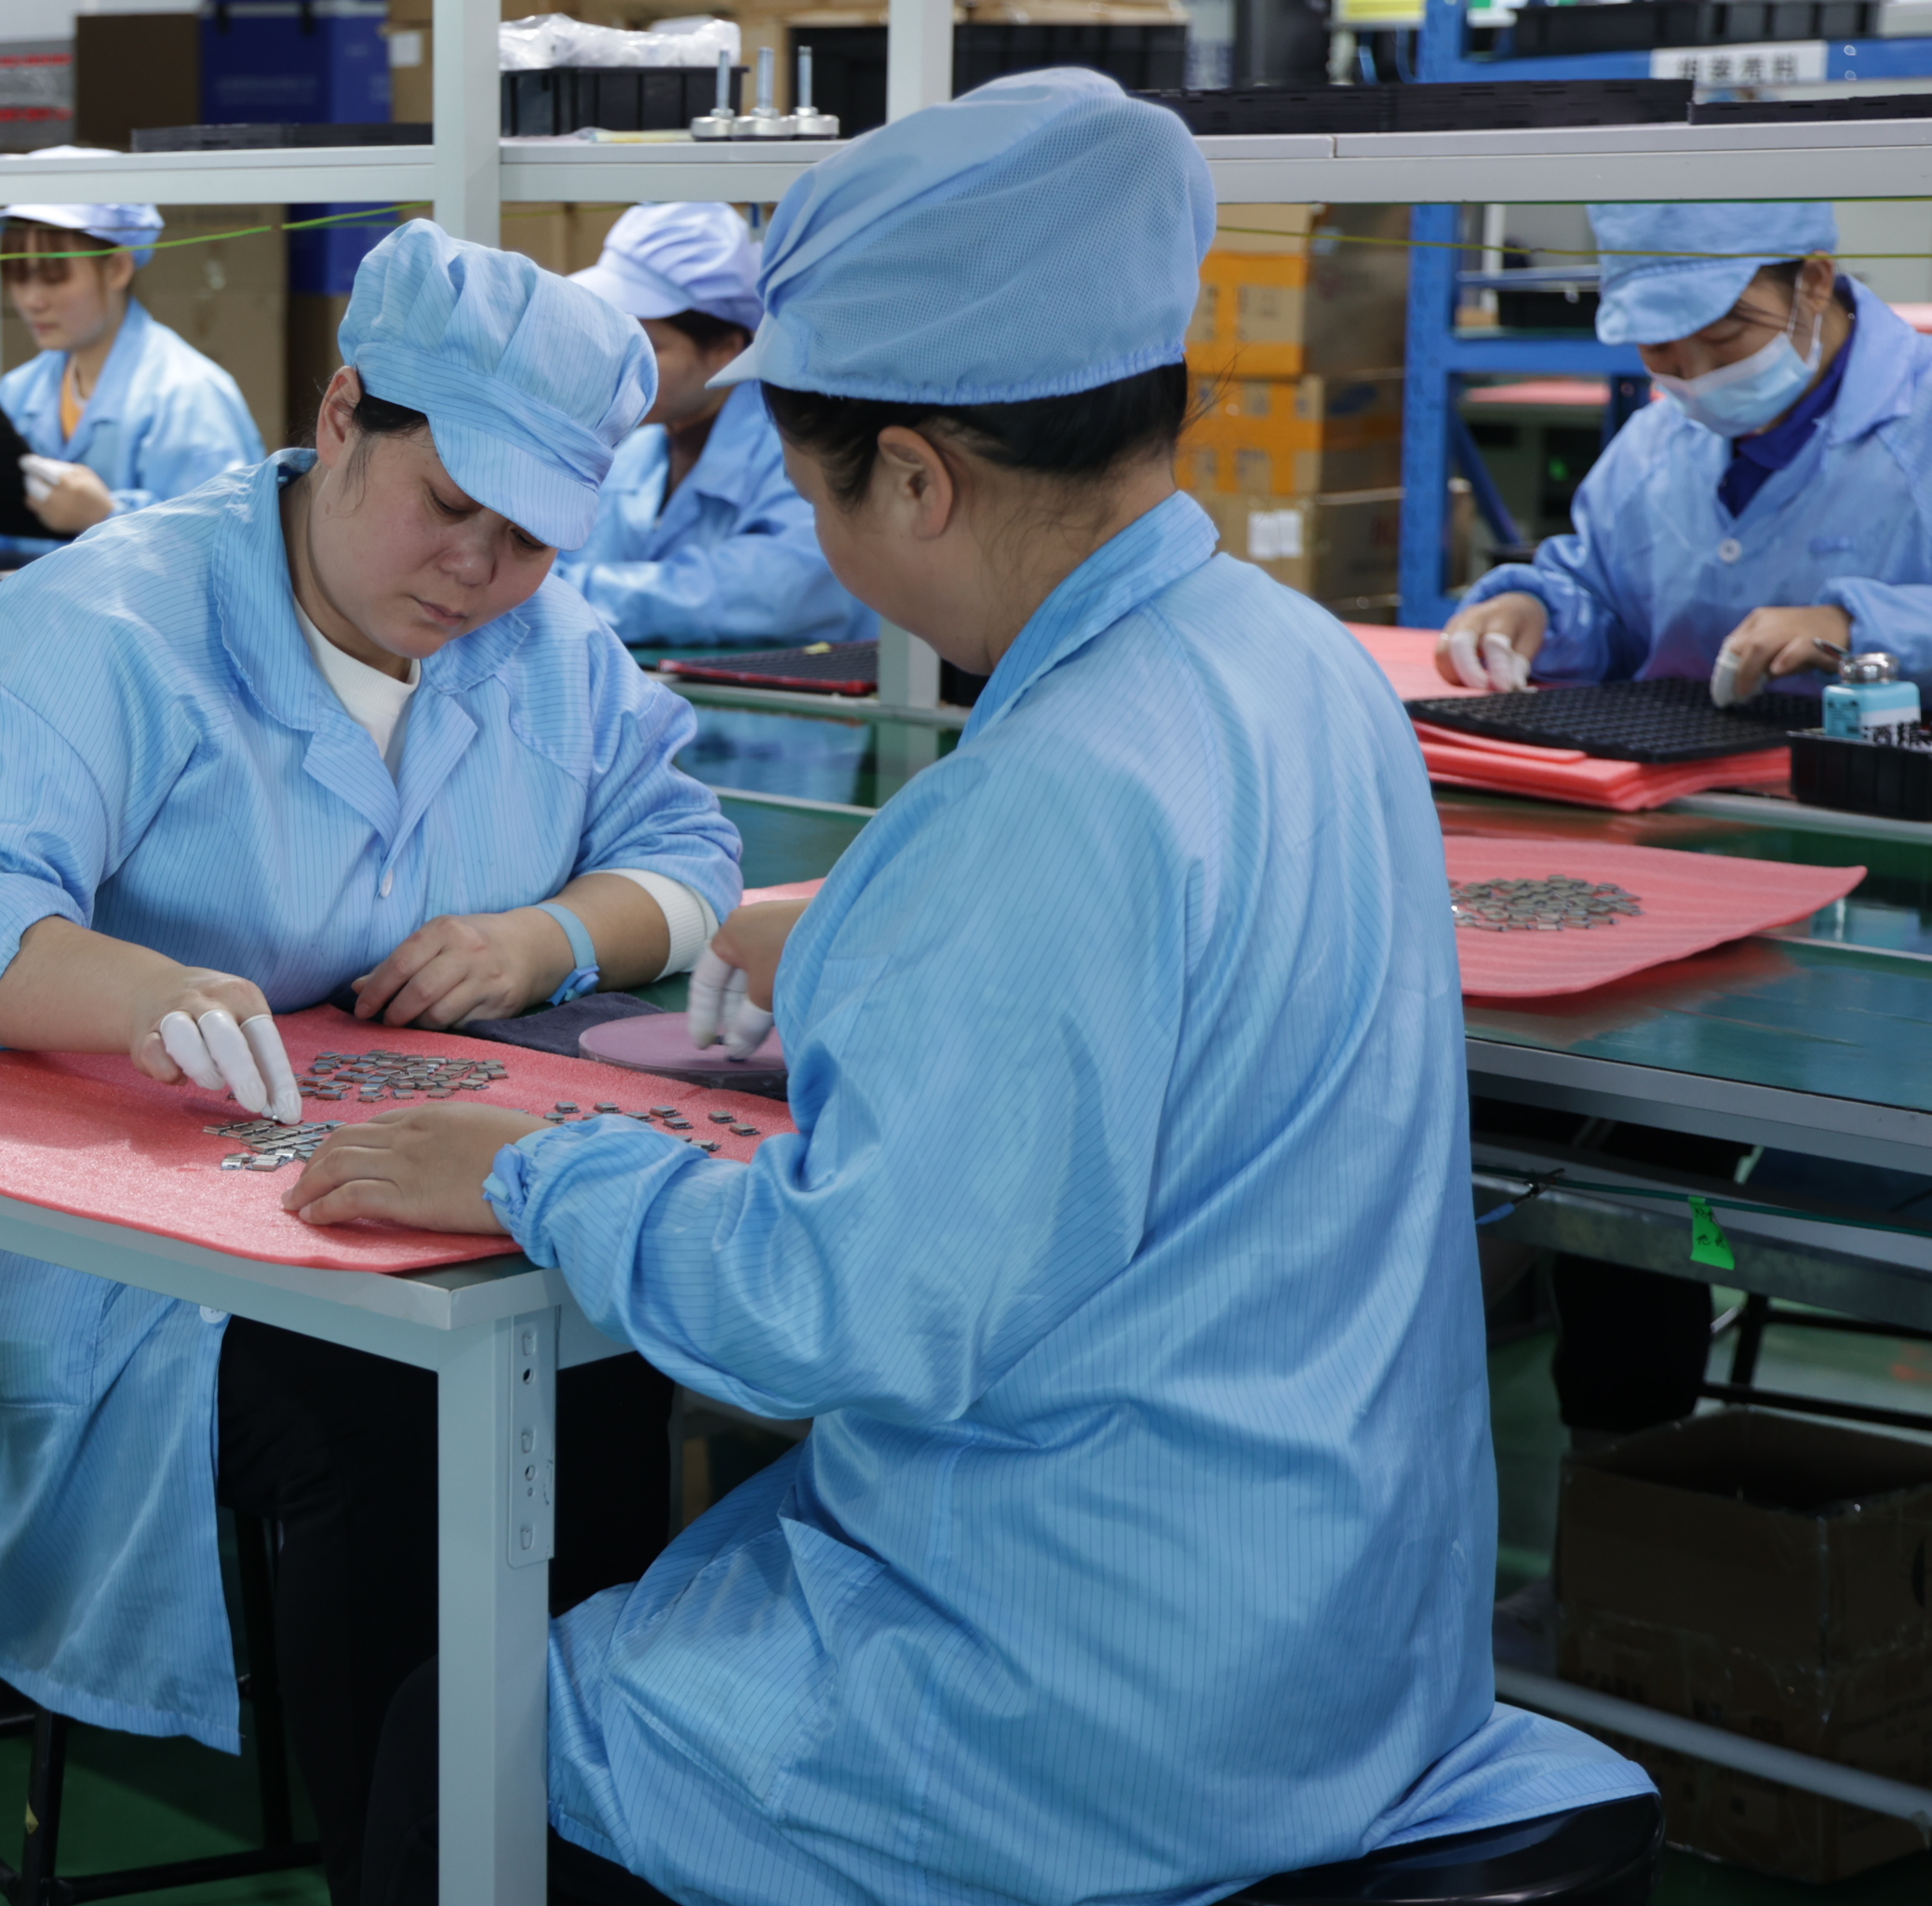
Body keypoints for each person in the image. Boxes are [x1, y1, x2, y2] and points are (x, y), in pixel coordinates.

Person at [280, 73, 1652, 1906]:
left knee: (479, 1728)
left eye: (817, 479)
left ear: (918, 475)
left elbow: (835, 1312)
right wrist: (866, 938)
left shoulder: (1037, 805)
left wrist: (531, 1169)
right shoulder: (1301, 664)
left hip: (1090, 1718)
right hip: (1345, 1640)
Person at [0, 220, 742, 1903]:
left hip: (444, 1203)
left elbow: (686, 847)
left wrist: (547, 936)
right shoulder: (98, 629)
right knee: (392, 1426)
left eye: (531, 539)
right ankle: (408, 1862)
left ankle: (558, 1850)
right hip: (128, 1269)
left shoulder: (547, 651)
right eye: (447, 506)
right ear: (342, 410)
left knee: (612, 1371)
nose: (477, 571)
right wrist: (137, 992)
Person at [1439, 200, 1928, 704]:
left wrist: (1853, 628)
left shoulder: (1919, 425)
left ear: (1815, 282)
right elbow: (1608, 611)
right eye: (1657, 346)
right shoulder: (1651, 448)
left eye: (1723, 334)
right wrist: (1535, 614)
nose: (1695, 374)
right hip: (1674, 773)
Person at [554, 202, 873, 649]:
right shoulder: (632, 452)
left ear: (726, 349)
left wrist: (551, 591)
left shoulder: (799, 452)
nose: (610, 365)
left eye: (645, 346)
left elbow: (778, 594)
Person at [0, 169, 266, 536]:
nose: (31, 300)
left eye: (55, 277)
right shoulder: (19, 392)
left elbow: (228, 541)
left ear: (117, 268)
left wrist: (107, 518)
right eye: (19, 276)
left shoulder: (189, 395)